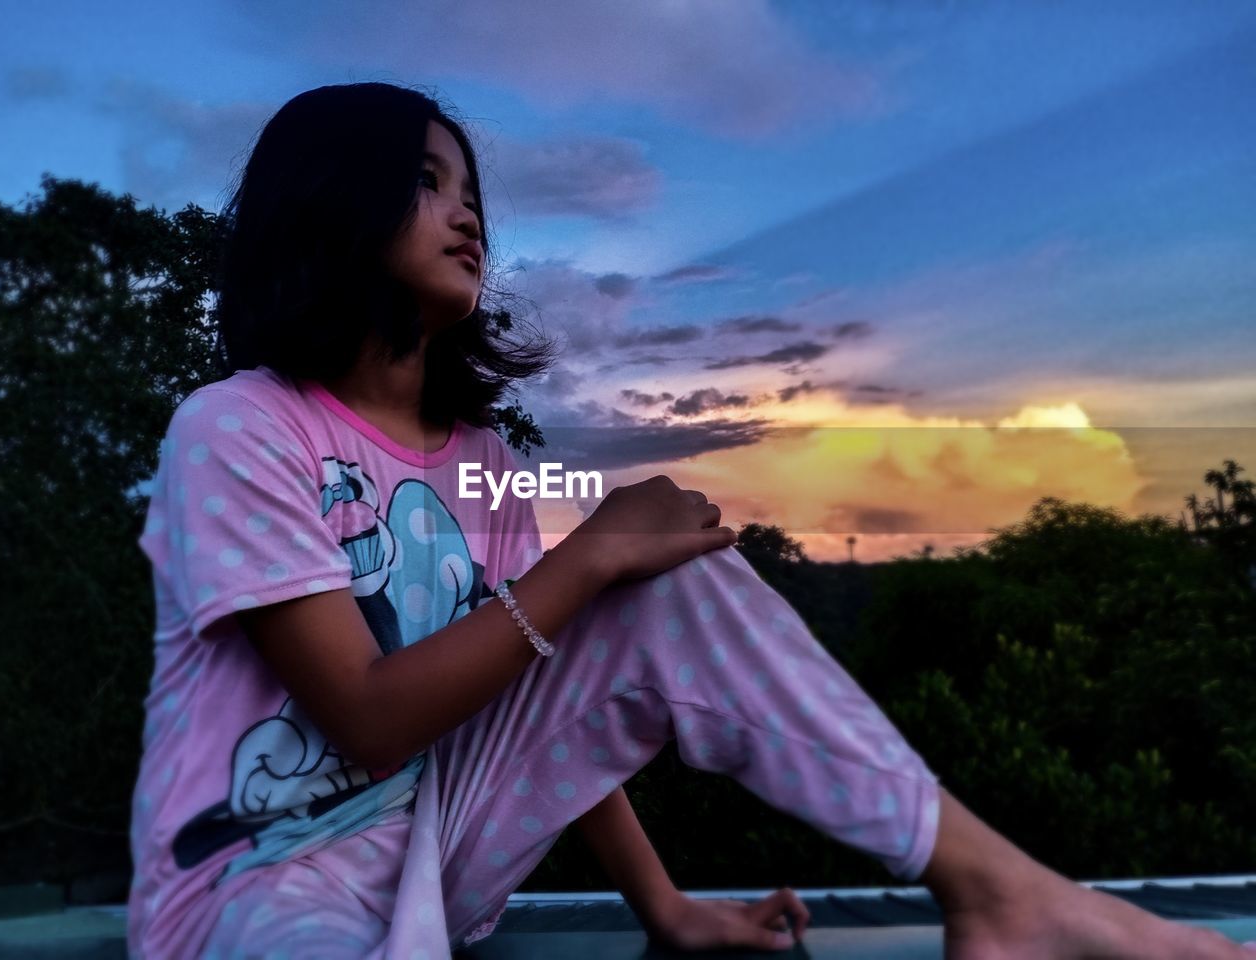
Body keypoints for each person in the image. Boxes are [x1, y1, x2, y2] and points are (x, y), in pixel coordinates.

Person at [126, 81, 1256, 960]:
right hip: (252, 875)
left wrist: (664, 909)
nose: (466, 211)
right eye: (425, 180)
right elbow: (369, 721)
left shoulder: (479, 465)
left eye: (471, 188)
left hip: (435, 850)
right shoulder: (238, 430)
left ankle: (999, 892)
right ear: (331, 200)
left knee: (672, 581)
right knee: (611, 568)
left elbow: (538, 693)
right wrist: (590, 558)